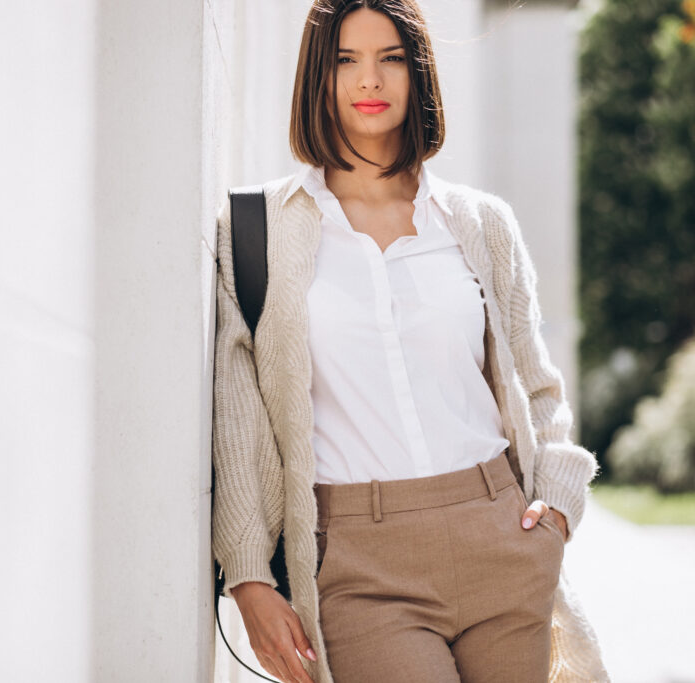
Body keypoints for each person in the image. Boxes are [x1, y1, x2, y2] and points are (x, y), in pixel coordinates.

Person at [211, 1, 609, 682]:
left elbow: (536, 383)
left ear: (418, 71)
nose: (369, 80)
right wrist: (249, 574)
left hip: (501, 535)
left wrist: (558, 511)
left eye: (390, 57)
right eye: (346, 59)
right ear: (318, 76)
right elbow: (240, 416)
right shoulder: (258, 231)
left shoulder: (481, 224)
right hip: (360, 564)